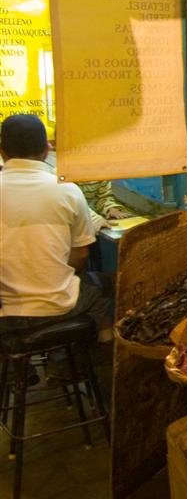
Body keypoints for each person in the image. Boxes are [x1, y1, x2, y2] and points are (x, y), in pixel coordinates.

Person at [0, 114, 110, 337]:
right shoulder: (67, 190)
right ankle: (99, 350)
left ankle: (20, 367)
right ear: (46, 149)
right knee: (105, 284)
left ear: (2, 152)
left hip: (6, 315)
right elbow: (80, 256)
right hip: (60, 308)